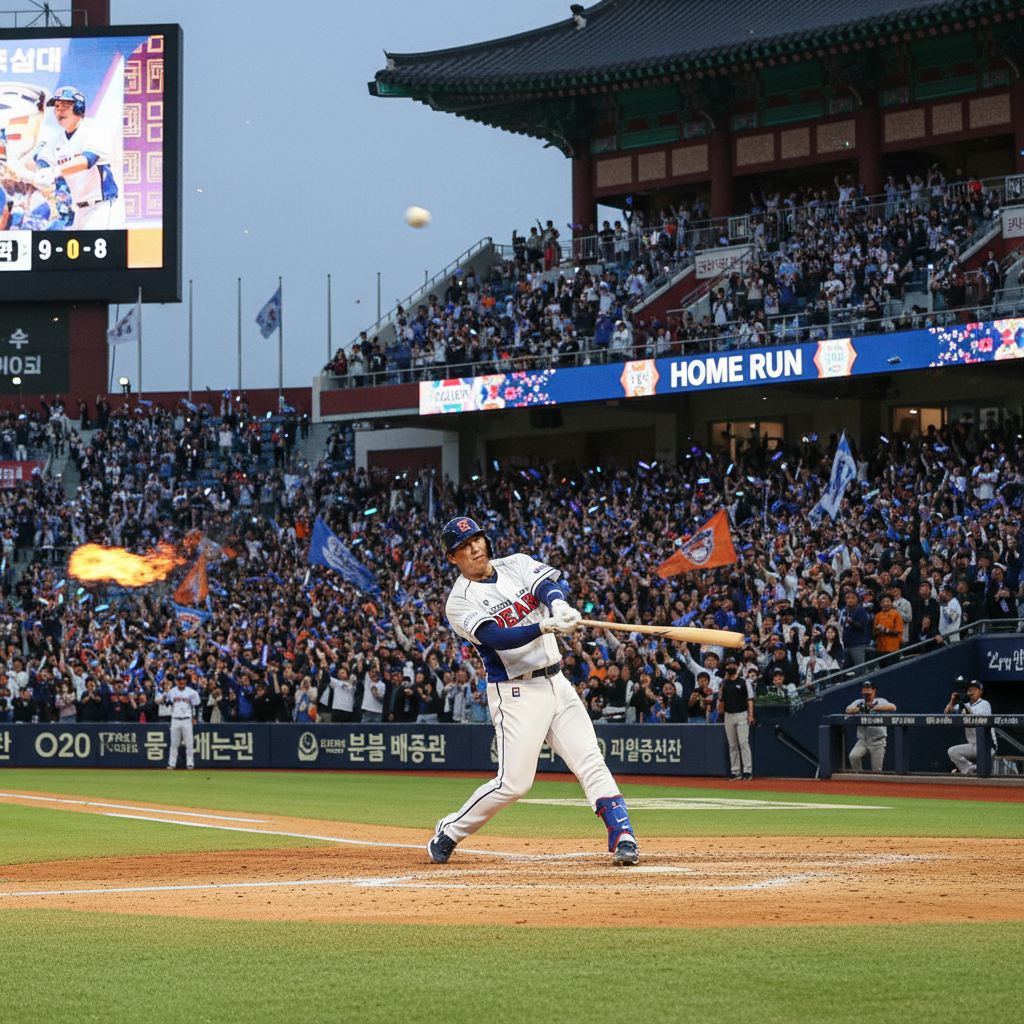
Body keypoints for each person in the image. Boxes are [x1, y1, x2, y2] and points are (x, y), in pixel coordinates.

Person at [427, 516, 640, 866]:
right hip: (515, 692)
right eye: (464, 546)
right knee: (514, 784)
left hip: (557, 681)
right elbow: (495, 637)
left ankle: (623, 835)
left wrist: (558, 605)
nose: (475, 548)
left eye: (477, 539)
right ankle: (450, 829)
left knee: (590, 759)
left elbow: (546, 587)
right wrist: (543, 624)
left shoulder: (517, 563)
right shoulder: (459, 601)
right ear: (452, 557)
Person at [28, 86, 123, 230]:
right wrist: (37, 174)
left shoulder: (94, 129)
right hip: (78, 210)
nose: (59, 110)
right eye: (57, 107)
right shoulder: (56, 140)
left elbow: (87, 160)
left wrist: (54, 171)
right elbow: (43, 164)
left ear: (78, 108)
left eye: (65, 106)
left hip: (101, 207)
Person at [945, 678, 994, 776]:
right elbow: (946, 714)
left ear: (980, 692)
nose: (971, 692)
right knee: (952, 751)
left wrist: (965, 706)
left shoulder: (984, 704)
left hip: (987, 746)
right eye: (969, 690)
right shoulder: (965, 705)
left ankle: (970, 770)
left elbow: (975, 718)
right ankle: (973, 769)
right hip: (973, 745)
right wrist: (952, 702)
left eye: (974, 690)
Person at [844, 681, 896, 771]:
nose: (866, 696)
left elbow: (893, 707)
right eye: (864, 694)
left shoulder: (880, 701)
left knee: (876, 770)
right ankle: (860, 778)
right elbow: (848, 709)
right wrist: (859, 709)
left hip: (878, 741)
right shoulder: (859, 702)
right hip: (863, 740)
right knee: (853, 756)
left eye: (868, 693)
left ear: (874, 691)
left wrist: (873, 708)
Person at [717, 659, 755, 779]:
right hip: (729, 715)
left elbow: (750, 699)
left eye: (733, 664)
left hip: (742, 713)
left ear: (737, 666)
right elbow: (721, 699)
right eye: (728, 664)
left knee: (743, 743)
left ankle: (747, 770)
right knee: (732, 745)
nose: (730, 666)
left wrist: (750, 715)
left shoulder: (744, 682)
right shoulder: (724, 684)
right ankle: (735, 771)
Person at [165, 671, 200, 770]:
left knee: (189, 743)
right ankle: (172, 763)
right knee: (174, 743)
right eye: (179, 680)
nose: (182, 682)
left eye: (183, 680)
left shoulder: (191, 692)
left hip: (186, 719)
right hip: (175, 719)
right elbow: (168, 703)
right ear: (176, 681)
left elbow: (197, 706)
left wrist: (194, 718)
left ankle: (190, 764)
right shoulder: (172, 691)